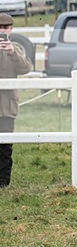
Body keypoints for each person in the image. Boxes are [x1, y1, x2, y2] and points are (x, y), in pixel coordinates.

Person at [0, 14, 33, 188]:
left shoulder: (17, 48)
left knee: (5, 148)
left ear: (11, 29)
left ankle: (3, 183)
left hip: (7, 106)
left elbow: (26, 68)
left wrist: (11, 52)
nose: (3, 31)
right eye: (0, 27)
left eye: (6, 28)